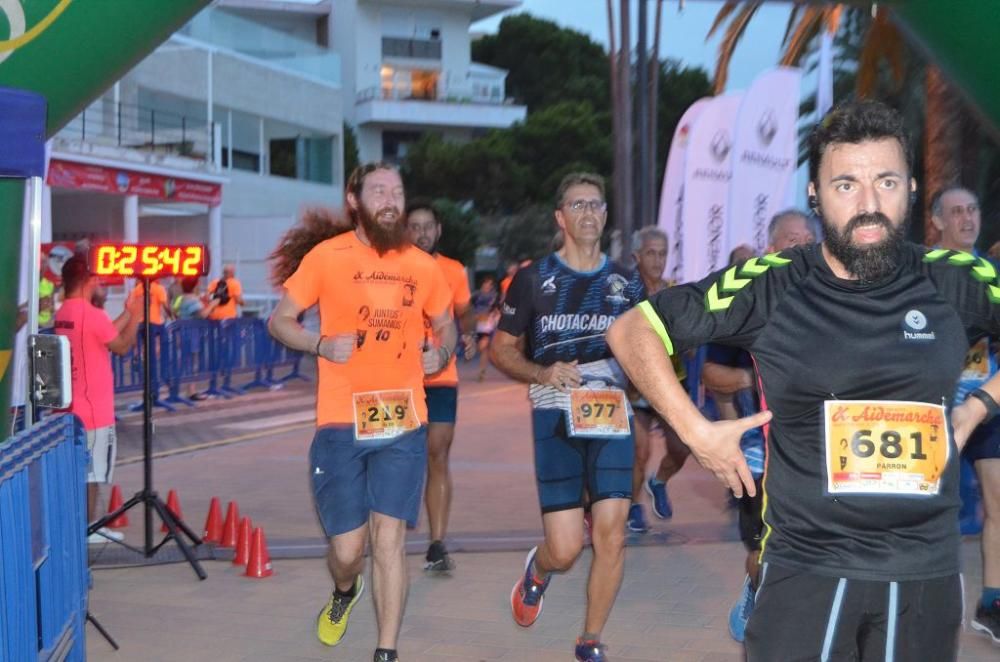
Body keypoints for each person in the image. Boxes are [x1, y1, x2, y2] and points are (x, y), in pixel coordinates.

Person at [608, 100, 1000, 661]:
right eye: (846, 185)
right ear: (815, 193)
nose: (869, 205)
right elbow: (632, 331)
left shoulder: (954, 278)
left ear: (912, 188)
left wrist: (980, 404)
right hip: (804, 569)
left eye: (885, 181)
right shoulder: (772, 285)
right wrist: (695, 432)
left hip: (923, 575)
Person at [268, 163, 455, 662]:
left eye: (397, 190)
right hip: (339, 421)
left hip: (403, 420)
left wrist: (443, 352)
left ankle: (386, 651)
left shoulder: (422, 264)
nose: (391, 200)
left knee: (389, 538)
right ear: (355, 200)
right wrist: (319, 344)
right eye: (379, 191)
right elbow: (280, 320)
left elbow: (446, 322)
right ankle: (343, 593)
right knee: (349, 552)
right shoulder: (327, 258)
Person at [491, 172, 644, 662]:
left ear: (605, 215)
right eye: (577, 205)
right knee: (567, 548)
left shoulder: (626, 281)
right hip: (554, 415)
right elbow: (500, 350)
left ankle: (589, 640)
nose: (587, 213)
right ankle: (539, 570)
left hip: (610, 417)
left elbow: (645, 352)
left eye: (595, 205)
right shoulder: (533, 279)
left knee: (612, 533)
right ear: (560, 217)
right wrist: (541, 370)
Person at [709, 210, 814, 642]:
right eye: (791, 239)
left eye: (808, 238)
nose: (801, 245)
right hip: (761, 453)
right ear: (772, 248)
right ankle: (756, 588)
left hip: (818, 453)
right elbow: (713, 376)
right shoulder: (748, 304)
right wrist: (761, 376)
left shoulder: (840, 301)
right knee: (763, 550)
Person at [929, 185, 1000, 641]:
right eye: (955, 212)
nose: (966, 218)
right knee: (934, 508)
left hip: (988, 407)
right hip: (935, 409)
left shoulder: (993, 272)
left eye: (972, 209)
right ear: (936, 221)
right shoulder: (924, 271)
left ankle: (992, 602)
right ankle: (936, 596)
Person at [404, 198, 474, 574]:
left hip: (442, 375)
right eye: (414, 226)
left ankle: (436, 543)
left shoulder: (453, 270)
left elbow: (463, 311)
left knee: (437, 453)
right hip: (400, 377)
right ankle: (388, 532)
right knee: (400, 457)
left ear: (439, 230)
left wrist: (472, 333)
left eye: (428, 226)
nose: (421, 233)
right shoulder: (392, 268)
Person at [55, 255, 141, 544]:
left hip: (70, 405)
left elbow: (102, 333)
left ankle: (83, 524)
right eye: (99, 280)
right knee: (92, 473)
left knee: (79, 469)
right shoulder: (91, 314)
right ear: (90, 280)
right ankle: (88, 528)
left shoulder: (64, 311)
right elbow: (121, 345)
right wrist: (138, 318)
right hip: (94, 409)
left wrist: (128, 312)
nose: (101, 284)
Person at [625, 226, 689, 533]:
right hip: (635, 387)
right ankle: (635, 506)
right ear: (636, 256)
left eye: (662, 253)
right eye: (650, 253)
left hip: (671, 384)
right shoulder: (625, 293)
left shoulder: (675, 291)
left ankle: (659, 481)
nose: (657, 260)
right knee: (640, 451)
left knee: (682, 448)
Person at [471, 274, 500, 381]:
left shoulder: (494, 296)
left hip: (488, 324)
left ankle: (482, 371)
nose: (487, 286)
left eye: (490, 284)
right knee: (482, 349)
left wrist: (495, 315)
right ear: (482, 284)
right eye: (486, 284)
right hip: (477, 324)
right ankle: (482, 370)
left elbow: (498, 309)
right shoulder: (476, 295)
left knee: (484, 346)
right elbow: (469, 308)